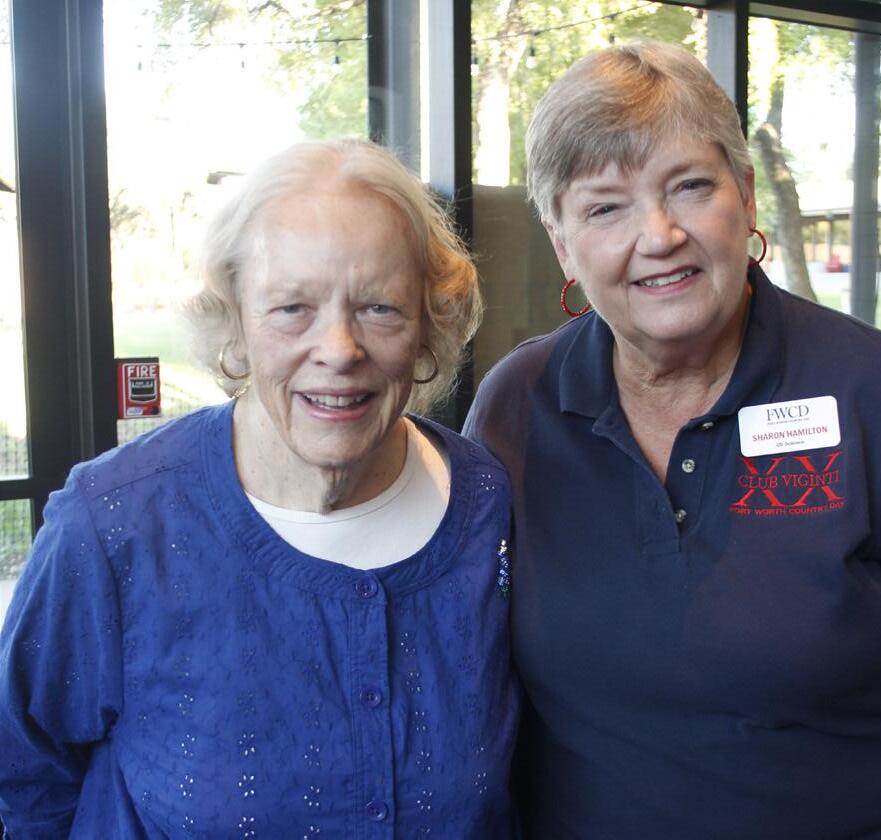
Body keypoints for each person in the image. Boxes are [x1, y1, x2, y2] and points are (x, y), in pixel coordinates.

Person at [464, 41, 881, 839]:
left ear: (745, 197)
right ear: (562, 243)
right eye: (605, 207)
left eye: (689, 186)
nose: (658, 235)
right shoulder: (516, 406)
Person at [0, 138, 518, 837]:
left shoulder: (487, 507)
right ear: (235, 320)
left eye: (380, 307)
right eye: (292, 307)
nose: (339, 349)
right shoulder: (114, 525)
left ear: (428, 323)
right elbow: (22, 781)